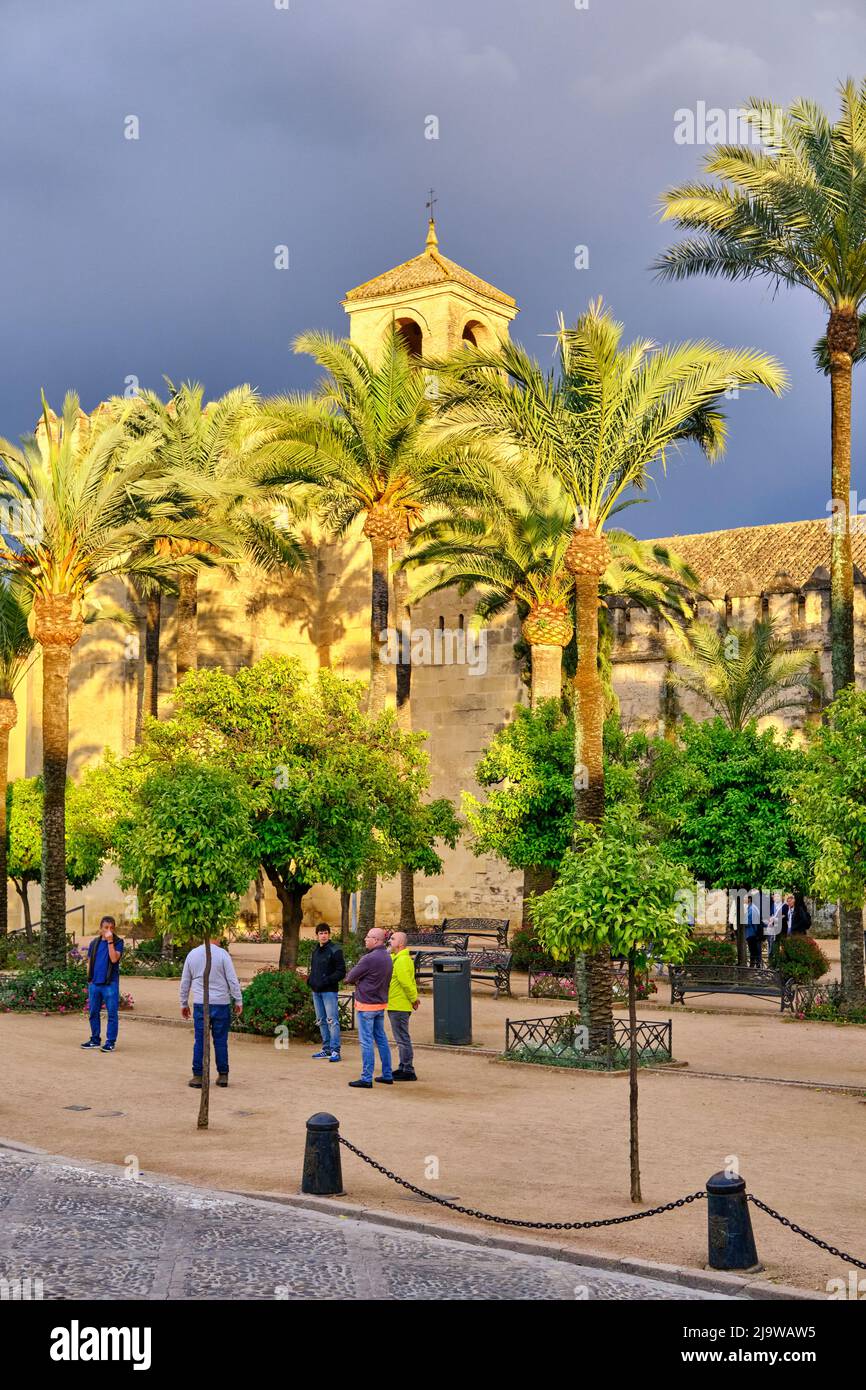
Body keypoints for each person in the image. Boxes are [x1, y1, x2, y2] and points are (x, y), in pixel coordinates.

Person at [180, 940, 243, 1089]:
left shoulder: (193, 954)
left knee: (200, 1039)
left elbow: (185, 981)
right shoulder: (222, 954)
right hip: (221, 1002)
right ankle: (223, 1075)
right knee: (221, 1041)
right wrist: (238, 999)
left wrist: (183, 1003)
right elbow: (232, 979)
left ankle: (198, 1076)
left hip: (201, 1003)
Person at [344, 927, 393, 1089]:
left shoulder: (368, 958)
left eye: (368, 937)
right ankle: (387, 1074)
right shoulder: (387, 957)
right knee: (381, 1039)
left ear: (377, 940)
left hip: (366, 1005)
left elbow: (350, 977)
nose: (365, 939)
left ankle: (366, 1078)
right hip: (380, 1004)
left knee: (366, 1042)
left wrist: (358, 981)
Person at [81, 916, 124, 1053]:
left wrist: (110, 942)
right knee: (93, 1012)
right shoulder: (94, 943)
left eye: (111, 928)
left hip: (110, 983)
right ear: (101, 929)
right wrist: (89, 979)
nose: (109, 930)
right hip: (94, 983)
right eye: (106, 928)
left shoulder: (118, 942)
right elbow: (89, 961)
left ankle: (110, 1042)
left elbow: (114, 959)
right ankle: (95, 1039)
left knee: (112, 1014)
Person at [308, 923, 346, 1062]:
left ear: (329, 934)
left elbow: (341, 972)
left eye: (325, 933)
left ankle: (335, 1050)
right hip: (316, 991)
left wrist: (326, 980)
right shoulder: (315, 951)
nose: (323, 935)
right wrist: (310, 980)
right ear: (317, 935)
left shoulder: (335, 950)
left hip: (329, 991)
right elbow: (313, 969)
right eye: (320, 933)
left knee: (332, 1021)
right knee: (321, 1021)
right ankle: (326, 1049)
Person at [387, 930, 419, 1081]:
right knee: (400, 1038)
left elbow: (406, 982)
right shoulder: (396, 958)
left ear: (400, 943)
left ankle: (408, 1069)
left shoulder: (402, 960)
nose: (389, 941)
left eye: (392, 939)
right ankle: (402, 1066)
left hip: (400, 1005)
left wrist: (414, 999)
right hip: (396, 1003)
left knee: (402, 1038)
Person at [744, 895, 762, 968]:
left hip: (752, 933)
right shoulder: (751, 908)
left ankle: (754, 965)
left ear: (749, 899)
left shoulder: (751, 909)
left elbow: (749, 921)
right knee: (754, 950)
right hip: (752, 932)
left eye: (745, 898)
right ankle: (755, 964)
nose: (743, 899)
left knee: (753, 950)